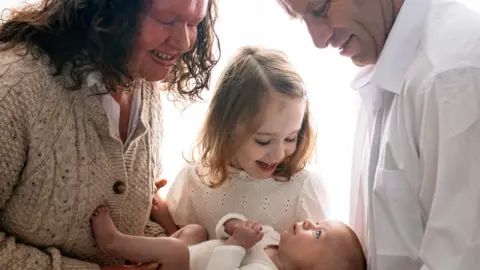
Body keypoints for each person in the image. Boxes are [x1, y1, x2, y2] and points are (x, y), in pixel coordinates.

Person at [0, 0, 219, 269]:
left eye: (193, 23)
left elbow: (129, 212)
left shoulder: (143, 83)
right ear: (109, 11)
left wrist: (164, 248)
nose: (185, 42)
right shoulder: (14, 89)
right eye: (166, 21)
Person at [276, 0, 480, 269]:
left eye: (320, 9)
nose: (319, 39)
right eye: (303, 19)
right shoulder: (382, 65)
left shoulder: (451, 77)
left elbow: (461, 260)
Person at [161, 46, 328, 238]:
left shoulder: (304, 189)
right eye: (263, 141)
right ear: (227, 127)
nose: (279, 154)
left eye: (291, 138)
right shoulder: (193, 180)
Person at [92, 208, 365, 270]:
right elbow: (224, 227)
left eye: (317, 233)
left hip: (187, 266)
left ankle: (113, 242)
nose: (308, 222)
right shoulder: (271, 238)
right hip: (196, 256)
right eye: (318, 222)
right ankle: (141, 259)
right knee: (196, 231)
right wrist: (235, 225)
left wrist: (237, 243)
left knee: (175, 251)